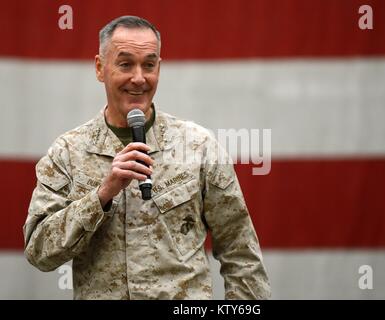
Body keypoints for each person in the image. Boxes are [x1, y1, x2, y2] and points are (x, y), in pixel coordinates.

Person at [23, 15, 271, 300]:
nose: (139, 78)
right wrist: (102, 195)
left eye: (149, 65)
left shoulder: (198, 146)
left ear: (159, 69)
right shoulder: (67, 153)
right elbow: (39, 251)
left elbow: (241, 251)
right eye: (125, 64)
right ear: (100, 68)